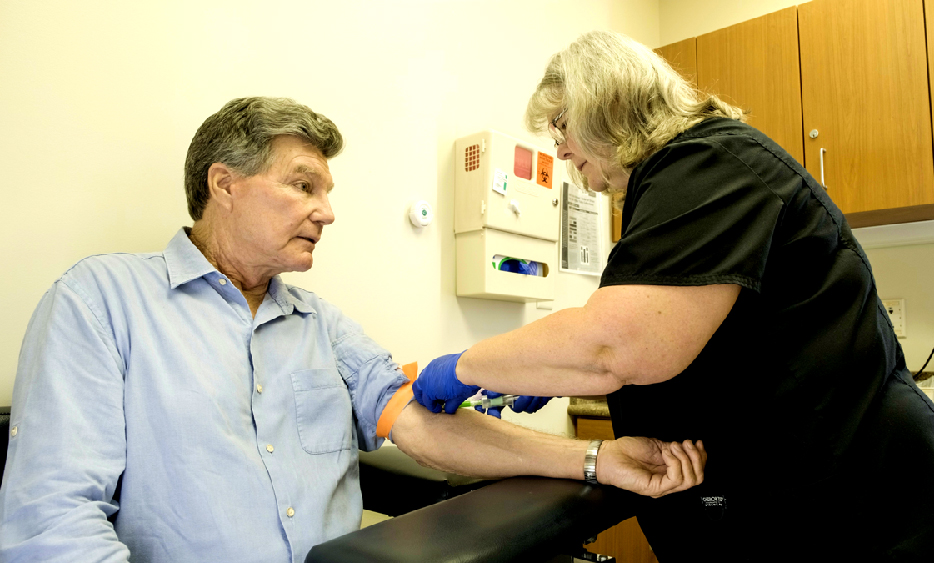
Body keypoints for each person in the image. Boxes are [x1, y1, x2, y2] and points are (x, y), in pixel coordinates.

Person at [0, 96, 708, 563]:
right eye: (304, 185)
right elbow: (52, 524)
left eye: (327, 193)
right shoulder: (98, 303)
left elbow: (427, 428)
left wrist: (595, 459)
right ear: (223, 184)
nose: (327, 212)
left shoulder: (321, 326)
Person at [412, 31, 934, 560]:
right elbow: (668, 329)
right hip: (804, 483)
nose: (560, 150)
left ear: (605, 105)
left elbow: (615, 345)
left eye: (562, 126)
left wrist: (466, 368)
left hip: (846, 496)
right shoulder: (684, 177)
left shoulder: (706, 163)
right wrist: (546, 371)